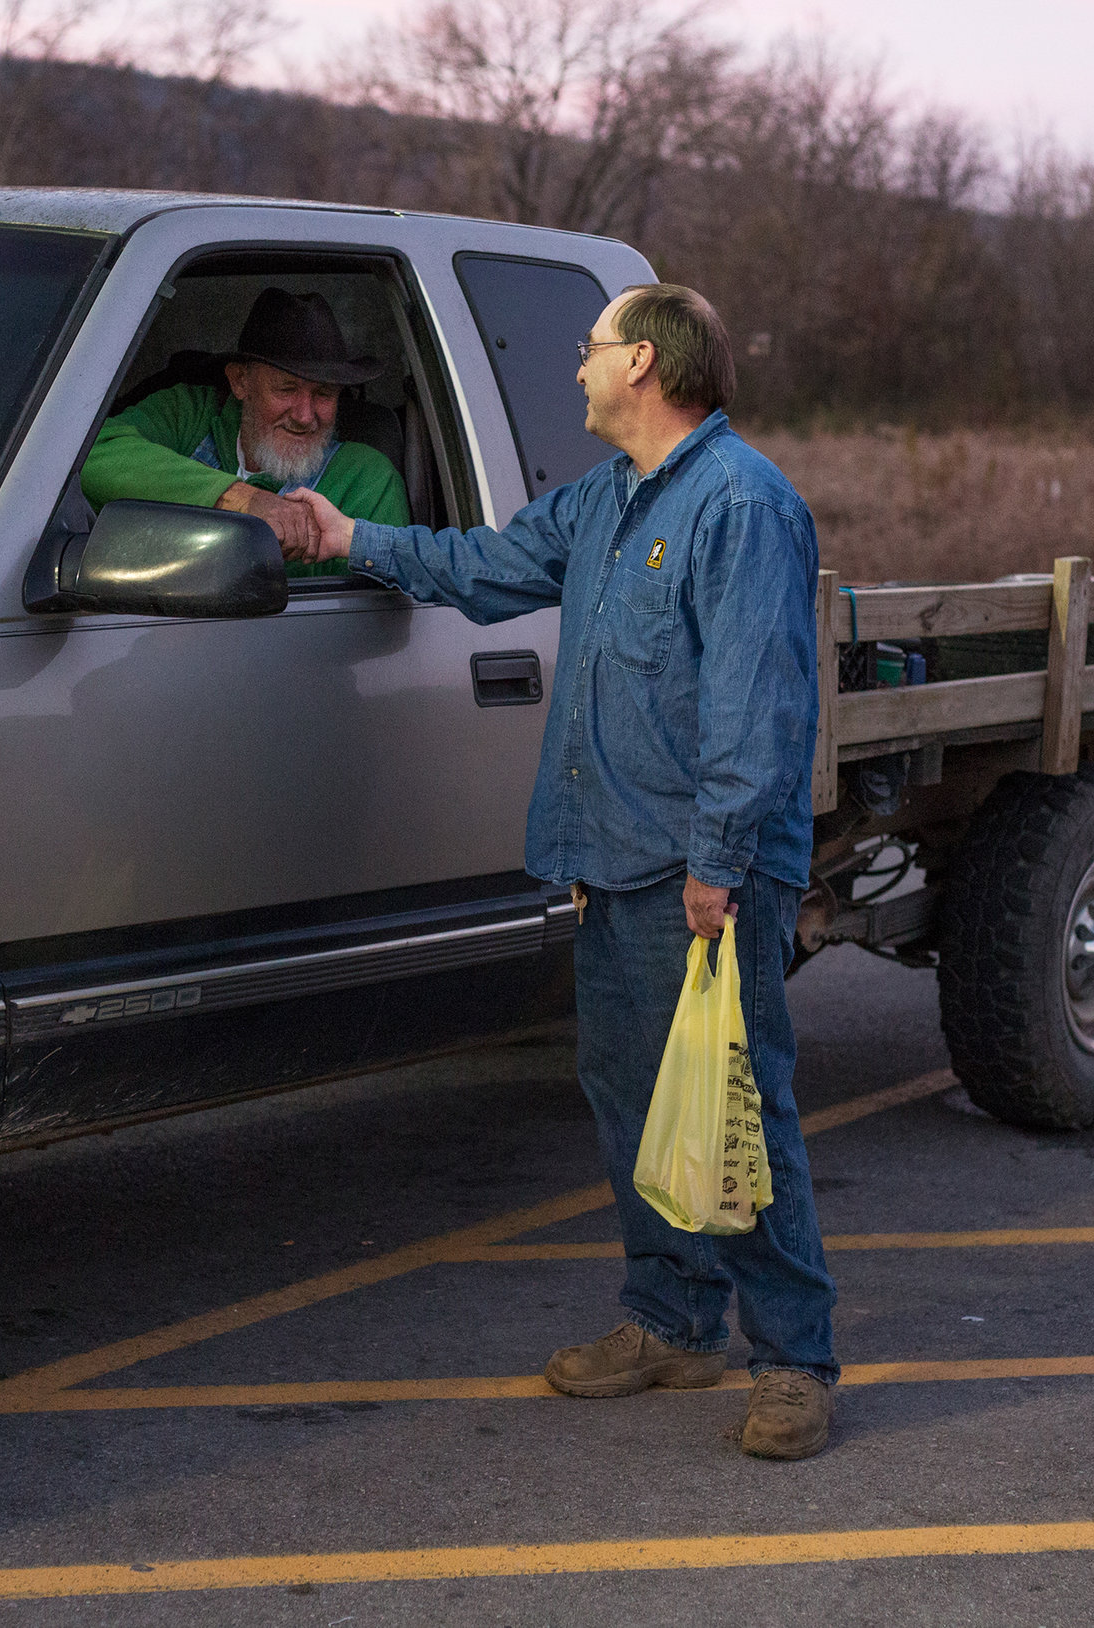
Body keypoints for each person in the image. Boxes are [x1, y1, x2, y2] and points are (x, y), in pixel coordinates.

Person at [284, 283, 839, 1460]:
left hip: (703, 874)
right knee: (636, 1100)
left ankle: (793, 1359)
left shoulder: (740, 505)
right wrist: (349, 538)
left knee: (738, 1111)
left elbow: (757, 704)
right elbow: (486, 566)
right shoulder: (606, 499)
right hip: (614, 855)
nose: (575, 371)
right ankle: (672, 1320)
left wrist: (719, 864)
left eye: (589, 353)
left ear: (640, 362)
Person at [81, 288, 409, 572]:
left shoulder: (369, 480)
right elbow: (84, 455)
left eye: (323, 393)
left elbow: (374, 615)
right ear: (240, 381)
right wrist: (242, 500)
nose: (305, 415)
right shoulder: (188, 414)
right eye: (287, 390)